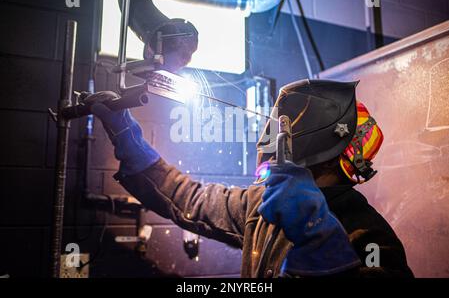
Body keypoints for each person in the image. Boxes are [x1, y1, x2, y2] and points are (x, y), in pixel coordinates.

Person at [86, 78, 414, 278]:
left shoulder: (369, 234)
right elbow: (190, 199)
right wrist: (128, 141)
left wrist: (318, 234)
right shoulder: (261, 205)